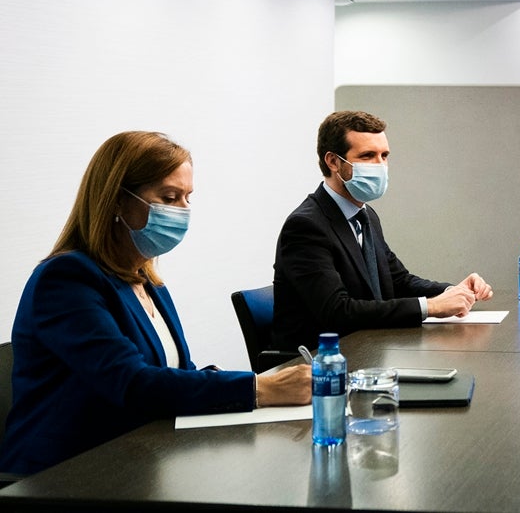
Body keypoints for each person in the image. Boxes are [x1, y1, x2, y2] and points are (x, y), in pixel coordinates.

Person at [0, 132, 310, 476]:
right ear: (118, 200)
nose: (184, 211)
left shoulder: (148, 280)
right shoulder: (66, 279)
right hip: (64, 474)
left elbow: (177, 375)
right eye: (169, 197)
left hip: (136, 457)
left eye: (187, 197)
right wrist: (258, 388)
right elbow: (132, 383)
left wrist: (255, 383)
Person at [271, 110, 493, 352]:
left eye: (384, 155)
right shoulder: (306, 226)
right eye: (367, 156)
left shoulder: (365, 216)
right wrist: (431, 307)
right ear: (333, 162)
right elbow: (337, 311)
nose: (380, 166)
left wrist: (453, 291)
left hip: (367, 350)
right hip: (318, 365)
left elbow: (398, 280)